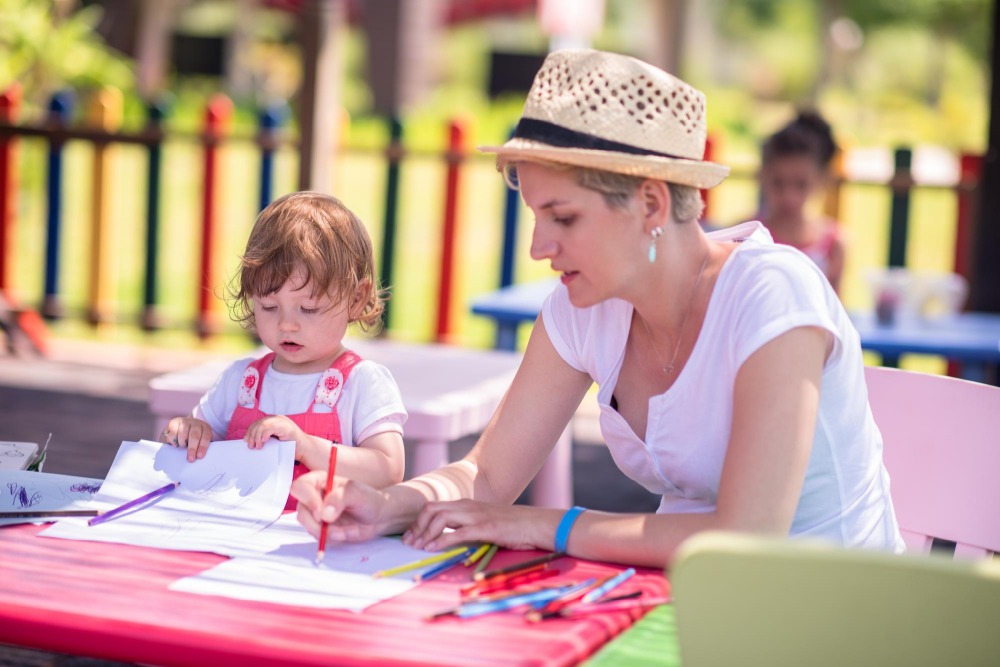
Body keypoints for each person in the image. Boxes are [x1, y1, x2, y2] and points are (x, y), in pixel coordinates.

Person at [292, 50, 903, 568]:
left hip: (838, 621)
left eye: (563, 218)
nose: (537, 247)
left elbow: (747, 536)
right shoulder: (584, 307)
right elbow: (487, 476)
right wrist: (391, 503)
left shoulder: (774, 292)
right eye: (536, 216)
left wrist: (544, 526)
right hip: (697, 608)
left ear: (651, 204)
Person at [161, 191, 406, 510]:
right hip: (233, 537)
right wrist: (189, 431)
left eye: (308, 308)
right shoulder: (241, 382)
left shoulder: (361, 383)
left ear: (356, 298)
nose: (287, 324)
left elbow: (389, 470)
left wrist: (305, 446)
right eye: (269, 306)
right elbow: (198, 447)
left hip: (318, 542)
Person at [754, 110, 846, 293]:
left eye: (801, 185)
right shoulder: (745, 237)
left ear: (822, 179)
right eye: (778, 183)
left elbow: (835, 314)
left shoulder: (834, 244)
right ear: (762, 176)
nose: (789, 197)